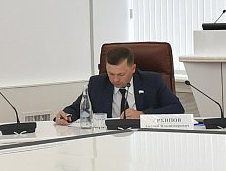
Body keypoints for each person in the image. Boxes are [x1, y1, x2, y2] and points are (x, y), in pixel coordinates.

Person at [55, 46, 184, 125]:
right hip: (108, 140)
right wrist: (65, 116)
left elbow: (177, 108)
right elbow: (78, 108)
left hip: (144, 139)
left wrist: (143, 114)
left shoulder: (152, 81)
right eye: (111, 74)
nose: (115, 79)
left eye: (121, 74)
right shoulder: (97, 83)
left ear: (133, 68)